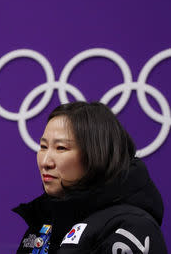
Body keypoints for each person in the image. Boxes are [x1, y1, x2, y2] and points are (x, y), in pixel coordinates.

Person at [13, 101, 168, 253]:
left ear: (96, 155)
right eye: (43, 147)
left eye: (61, 148)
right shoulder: (45, 220)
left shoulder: (131, 227)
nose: (45, 162)